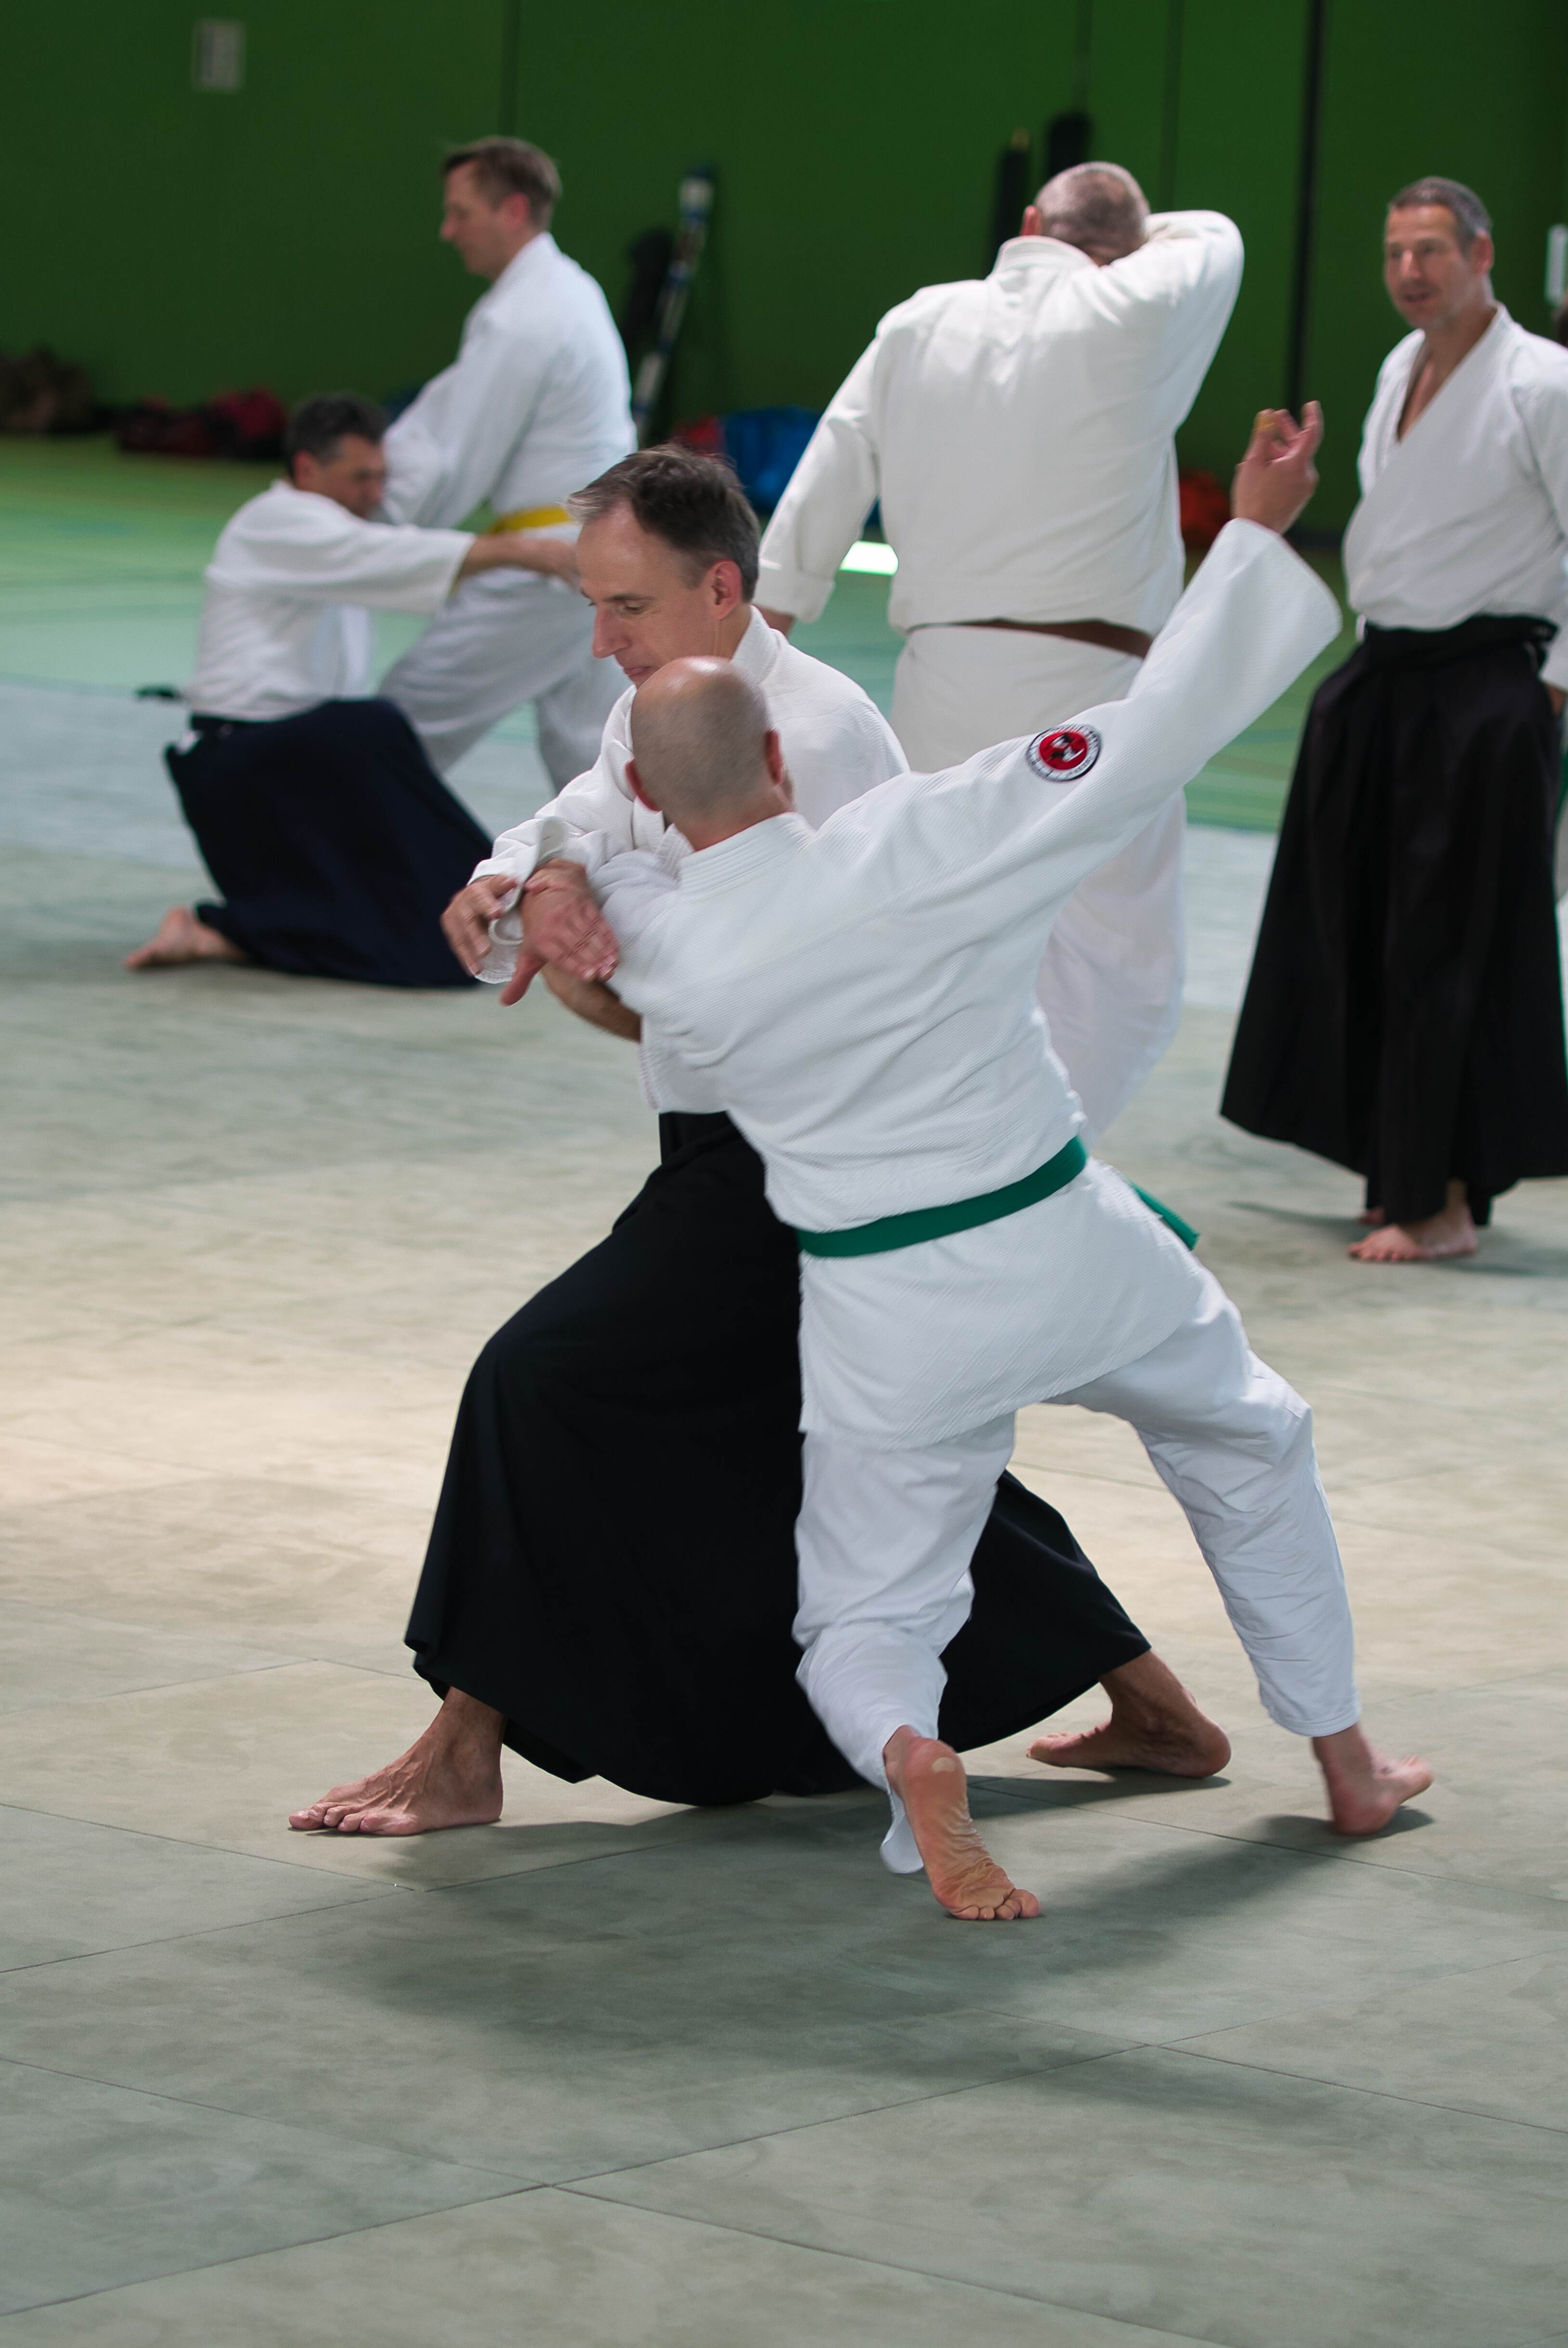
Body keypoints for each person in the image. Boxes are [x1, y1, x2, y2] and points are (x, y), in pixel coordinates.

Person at [525, 407, 1431, 1923]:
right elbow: (1152, 730)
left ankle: (910, 1750)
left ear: (658, 808)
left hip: (887, 1307)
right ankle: (1344, 1756)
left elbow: (596, 911)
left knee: (864, 1609)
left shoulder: (670, 942)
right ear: (779, 755)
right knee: (1247, 1433)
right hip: (1069, 1242)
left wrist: (551, 882)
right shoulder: (929, 833)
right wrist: (1254, 532)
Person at [288, 451, 1229, 1841]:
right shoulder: (666, 697)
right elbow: (586, 808)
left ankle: (465, 1744)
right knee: (817, 1437)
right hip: (732, 1144)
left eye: (626, 605)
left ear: (721, 587)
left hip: (806, 1153)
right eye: (595, 604)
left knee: (541, 1380)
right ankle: (1158, 1706)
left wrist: (594, 952)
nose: (600, 638)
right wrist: (521, 875)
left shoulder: (821, 737)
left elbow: (804, 987)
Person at [754, 164, 1242, 1140]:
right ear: (1128, 247)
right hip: (1095, 692)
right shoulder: (1137, 304)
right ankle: (1031, 1153)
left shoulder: (919, 321)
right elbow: (1213, 233)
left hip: (939, 683)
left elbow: (832, 464)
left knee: (943, 928)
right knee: (1115, 957)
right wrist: (1128, 242)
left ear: (1026, 223)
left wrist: (767, 632)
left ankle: (935, 1142)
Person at [1223, 177, 1568, 1264]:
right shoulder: (1395, 369)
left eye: (1429, 250)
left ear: (1482, 254)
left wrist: (1551, 686)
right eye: (1393, 254)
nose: (1408, 272)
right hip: (1389, 674)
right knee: (1369, 927)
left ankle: (1445, 1200)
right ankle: (1399, 1167)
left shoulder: (1543, 381)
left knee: (1450, 941)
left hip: (1488, 687)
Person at [126, 393, 558, 987]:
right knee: (375, 729)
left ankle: (226, 933)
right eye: (360, 478)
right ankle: (231, 929)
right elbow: (392, 555)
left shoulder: (335, 526)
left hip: (298, 759)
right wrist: (534, 552)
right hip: (241, 764)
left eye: (381, 477)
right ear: (306, 469)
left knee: (444, 943)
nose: (376, 494)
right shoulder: (276, 521)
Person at [377, 137, 633, 783]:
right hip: (600, 554)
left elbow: (461, 458)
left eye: (461, 213)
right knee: (596, 762)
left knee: (398, 724)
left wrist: (376, 535)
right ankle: (641, 854)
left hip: (544, 569)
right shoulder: (569, 289)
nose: (448, 231)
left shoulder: (524, 318)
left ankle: (332, 845)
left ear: (513, 210)